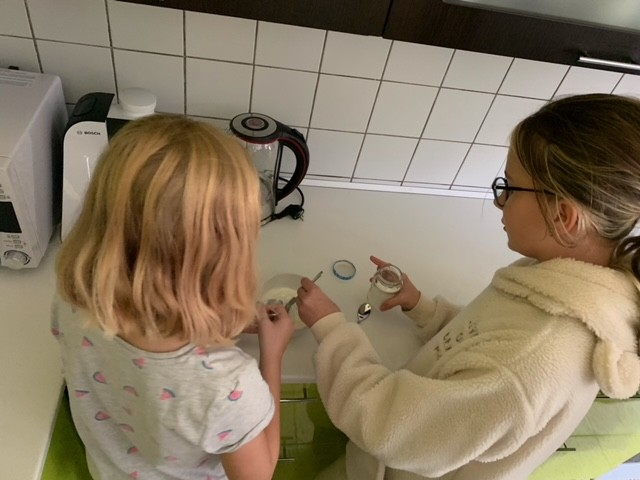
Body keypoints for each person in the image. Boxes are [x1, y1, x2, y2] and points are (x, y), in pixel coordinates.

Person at [295, 93, 640, 480]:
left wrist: (331, 329)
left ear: (563, 217)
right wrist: (423, 309)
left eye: (511, 187)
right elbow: (484, 338)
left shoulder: (532, 359)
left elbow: (386, 425)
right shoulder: (566, 276)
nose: (499, 201)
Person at [51, 114, 295, 480]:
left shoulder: (73, 299)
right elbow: (259, 475)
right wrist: (272, 356)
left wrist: (212, 318)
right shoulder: (227, 385)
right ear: (226, 258)